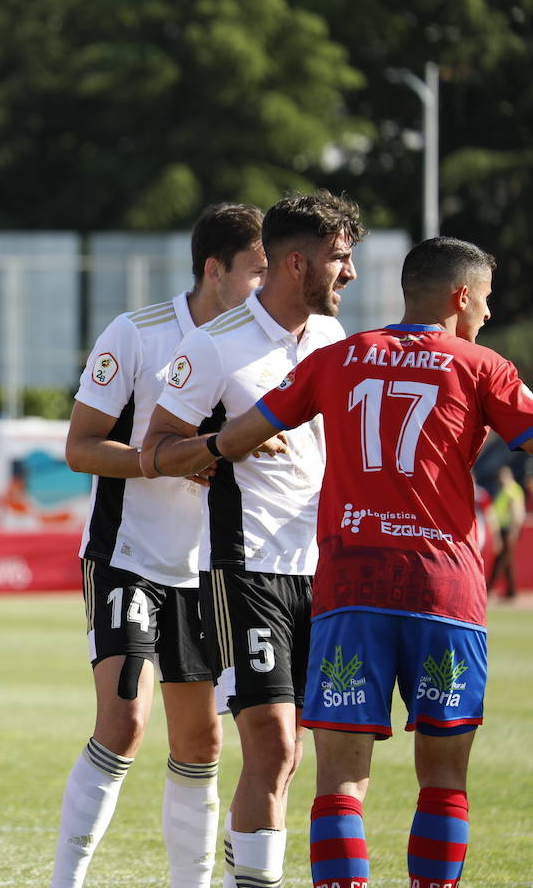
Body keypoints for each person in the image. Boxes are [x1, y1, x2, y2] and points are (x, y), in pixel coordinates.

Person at [209, 236, 533, 888]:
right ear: (460, 297)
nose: (490, 316)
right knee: (443, 778)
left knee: (339, 781)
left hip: (351, 587)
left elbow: (239, 436)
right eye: (488, 302)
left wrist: (163, 457)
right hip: (443, 591)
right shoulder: (483, 366)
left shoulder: (339, 357)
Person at [140, 189, 366, 888]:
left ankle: (252, 868)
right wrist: (225, 443)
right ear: (297, 264)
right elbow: (156, 447)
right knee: (267, 741)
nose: (350, 273)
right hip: (247, 566)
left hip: (326, 568)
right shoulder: (212, 346)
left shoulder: (336, 342)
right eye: (340, 258)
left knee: (296, 751)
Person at [52, 202, 267, 887]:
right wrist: (160, 460)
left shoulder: (263, 345)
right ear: (216, 269)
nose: (268, 288)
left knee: (203, 742)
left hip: (207, 569)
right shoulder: (137, 332)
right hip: (128, 558)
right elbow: (79, 448)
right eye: (258, 272)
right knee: (123, 724)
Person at [485, 463, 524, 601]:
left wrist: (514, 530)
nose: (500, 479)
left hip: (508, 529)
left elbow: (516, 512)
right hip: (504, 528)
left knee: (500, 560)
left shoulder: (511, 490)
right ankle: (511, 591)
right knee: (506, 561)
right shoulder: (505, 490)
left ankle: (489, 589)